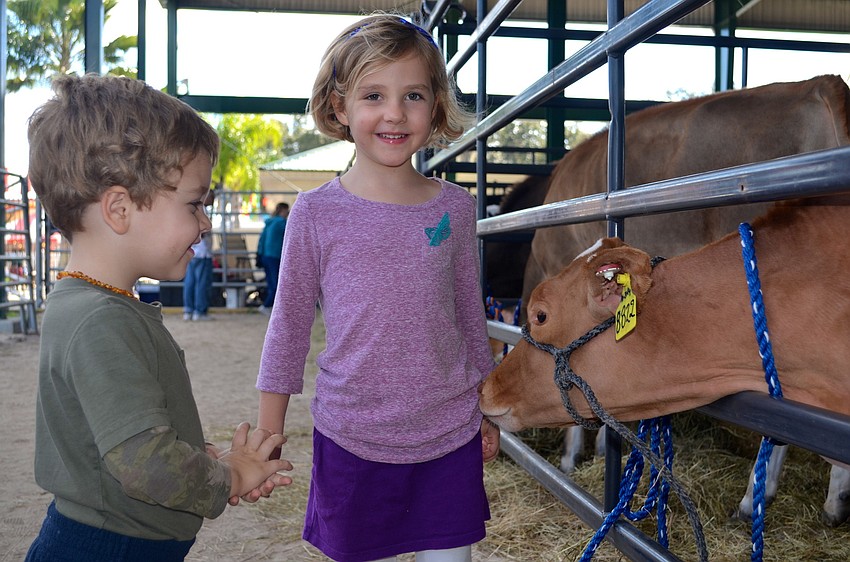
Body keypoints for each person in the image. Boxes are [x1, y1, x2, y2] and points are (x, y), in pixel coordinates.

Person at [256, 14, 500, 562]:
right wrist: (268, 437)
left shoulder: (455, 209)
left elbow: (467, 313)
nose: (394, 112)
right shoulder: (315, 214)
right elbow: (289, 327)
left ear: (436, 105)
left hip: (449, 432)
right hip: (352, 436)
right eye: (373, 94)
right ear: (340, 107)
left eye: (412, 94)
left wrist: (489, 406)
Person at [25, 74, 294, 562]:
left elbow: (124, 440)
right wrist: (230, 476)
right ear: (120, 208)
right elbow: (146, 465)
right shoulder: (100, 322)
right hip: (110, 549)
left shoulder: (91, 305)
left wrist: (202, 461)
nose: (206, 222)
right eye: (195, 204)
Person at [255, 201, 289, 314]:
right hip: (275, 256)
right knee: (277, 284)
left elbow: (261, 240)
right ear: (283, 211)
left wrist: (259, 254)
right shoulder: (282, 223)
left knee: (271, 283)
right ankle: (268, 305)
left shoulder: (269, 223)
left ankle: (268, 305)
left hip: (265, 255)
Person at [183, 228, 215, 321]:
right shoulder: (201, 214)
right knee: (201, 283)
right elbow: (204, 231)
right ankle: (199, 311)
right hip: (202, 252)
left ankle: (188, 310)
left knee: (190, 282)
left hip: (192, 251)